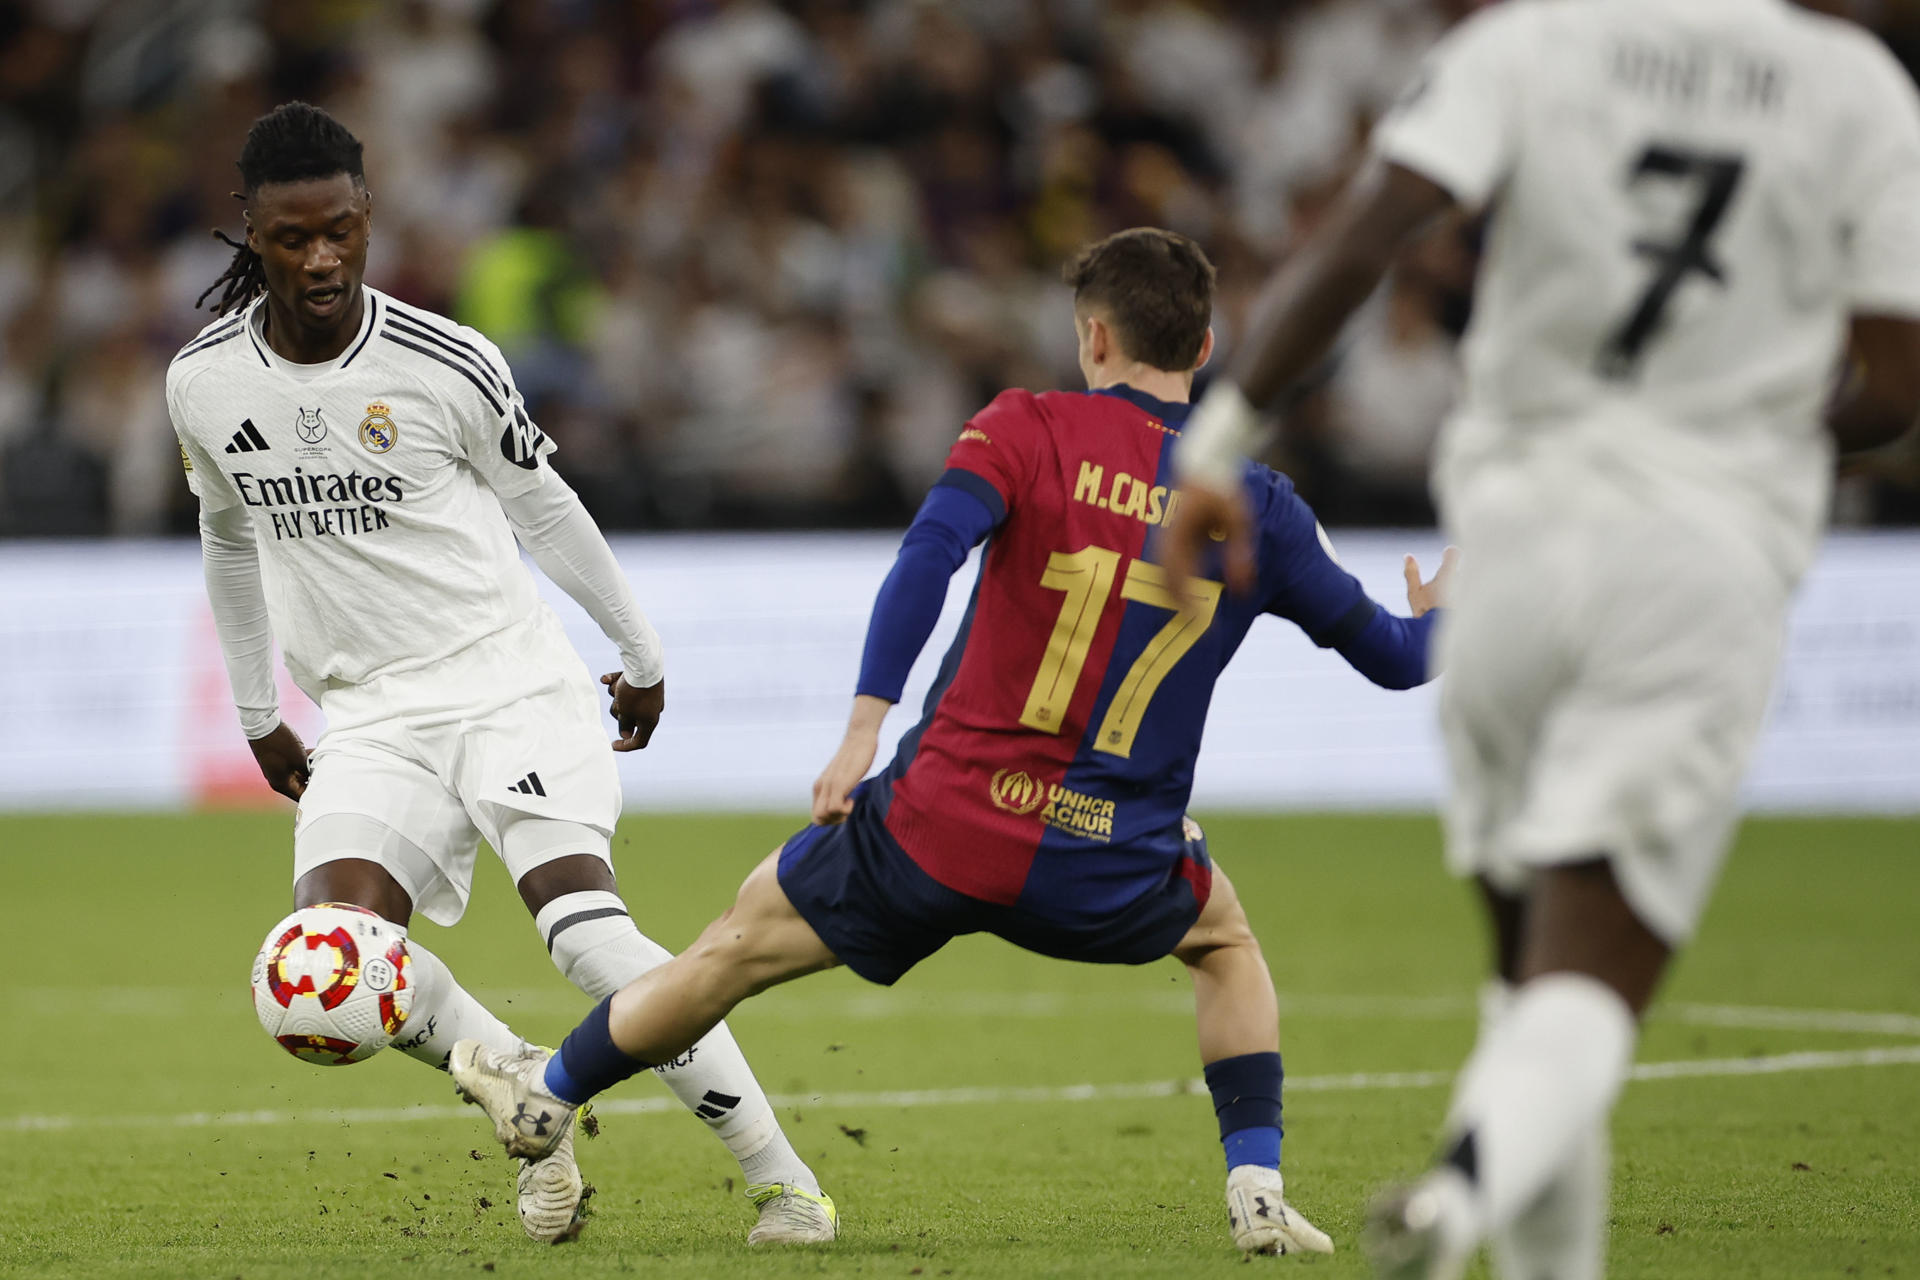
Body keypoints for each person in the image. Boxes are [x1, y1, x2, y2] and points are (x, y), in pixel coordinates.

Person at [448, 227, 1451, 1256]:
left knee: (729, 950)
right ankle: (1257, 1193)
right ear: (1203, 352)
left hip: (942, 824)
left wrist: (861, 730)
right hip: (1112, 854)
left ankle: (545, 1092)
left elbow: (929, 552)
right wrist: (1448, 608)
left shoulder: (1027, 427)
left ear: (1091, 335)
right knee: (1225, 942)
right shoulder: (1260, 504)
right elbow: (1398, 657)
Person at [1159, 3, 1920, 1276]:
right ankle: (1462, 1192)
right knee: (1592, 975)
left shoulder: (1535, 42)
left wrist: (1216, 445)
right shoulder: (1857, 88)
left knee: (1527, 982)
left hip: (1509, 544)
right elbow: (1896, 383)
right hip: (1696, 558)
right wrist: (1750, 421)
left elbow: (1368, 231)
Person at [167, 102, 833, 1246]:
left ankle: (784, 1181)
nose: (320, 257)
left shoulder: (447, 360)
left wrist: (639, 649)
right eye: (291, 237)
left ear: (368, 215)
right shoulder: (205, 383)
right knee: (325, 964)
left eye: (338, 229)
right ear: (250, 231)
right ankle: (531, 1089)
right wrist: (259, 709)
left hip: (506, 681)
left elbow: (544, 507)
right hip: (370, 711)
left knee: (586, 936)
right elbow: (229, 541)